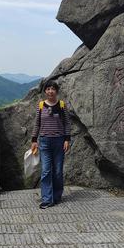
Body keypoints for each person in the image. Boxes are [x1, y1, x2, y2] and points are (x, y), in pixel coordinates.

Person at [30, 80, 71, 209]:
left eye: (53, 89)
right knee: (46, 171)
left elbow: (67, 124)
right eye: (48, 89)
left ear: (56, 91)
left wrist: (67, 139)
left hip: (59, 141)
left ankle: (57, 196)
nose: (50, 91)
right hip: (44, 142)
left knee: (58, 171)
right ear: (45, 91)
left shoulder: (62, 105)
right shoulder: (41, 105)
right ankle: (47, 199)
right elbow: (37, 124)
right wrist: (34, 140)